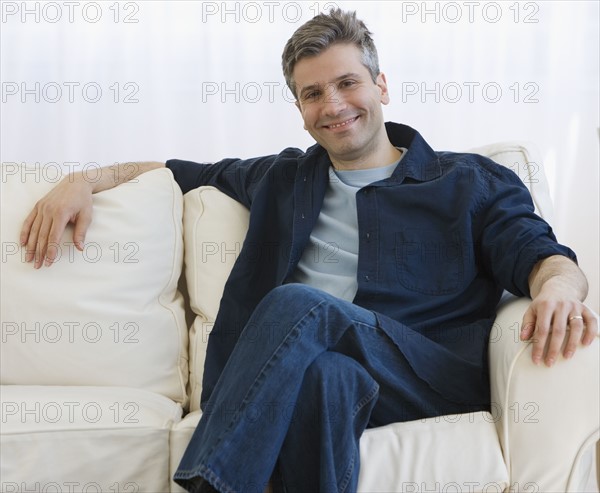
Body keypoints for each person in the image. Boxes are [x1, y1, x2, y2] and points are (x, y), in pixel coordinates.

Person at [20, 9, 597, 493]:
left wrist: (558, 289)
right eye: (313, 93)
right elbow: (171, 170)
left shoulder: (469, 181)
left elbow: (540, 252)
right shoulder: (280, 177)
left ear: (381, 86)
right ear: (300, 108)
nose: (333, 104)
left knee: (303, 304)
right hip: (314, 371)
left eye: (347, 83)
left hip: (423, 372)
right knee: (328, 378)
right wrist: (83, 180)